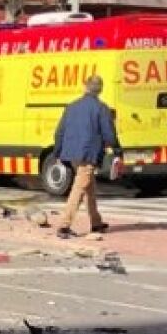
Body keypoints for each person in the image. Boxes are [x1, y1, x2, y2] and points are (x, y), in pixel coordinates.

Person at [51, 74, 119, 239]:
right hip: (89, 153)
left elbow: (59, 132)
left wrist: (57, 152)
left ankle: (96, 222)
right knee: (79, 187)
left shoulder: (72, 106)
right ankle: (64, 225)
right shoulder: (101, 108)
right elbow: (109, 134)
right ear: (100, 90)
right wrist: (117, 150)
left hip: (72, 153)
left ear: (85, 87)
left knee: (89, 186)